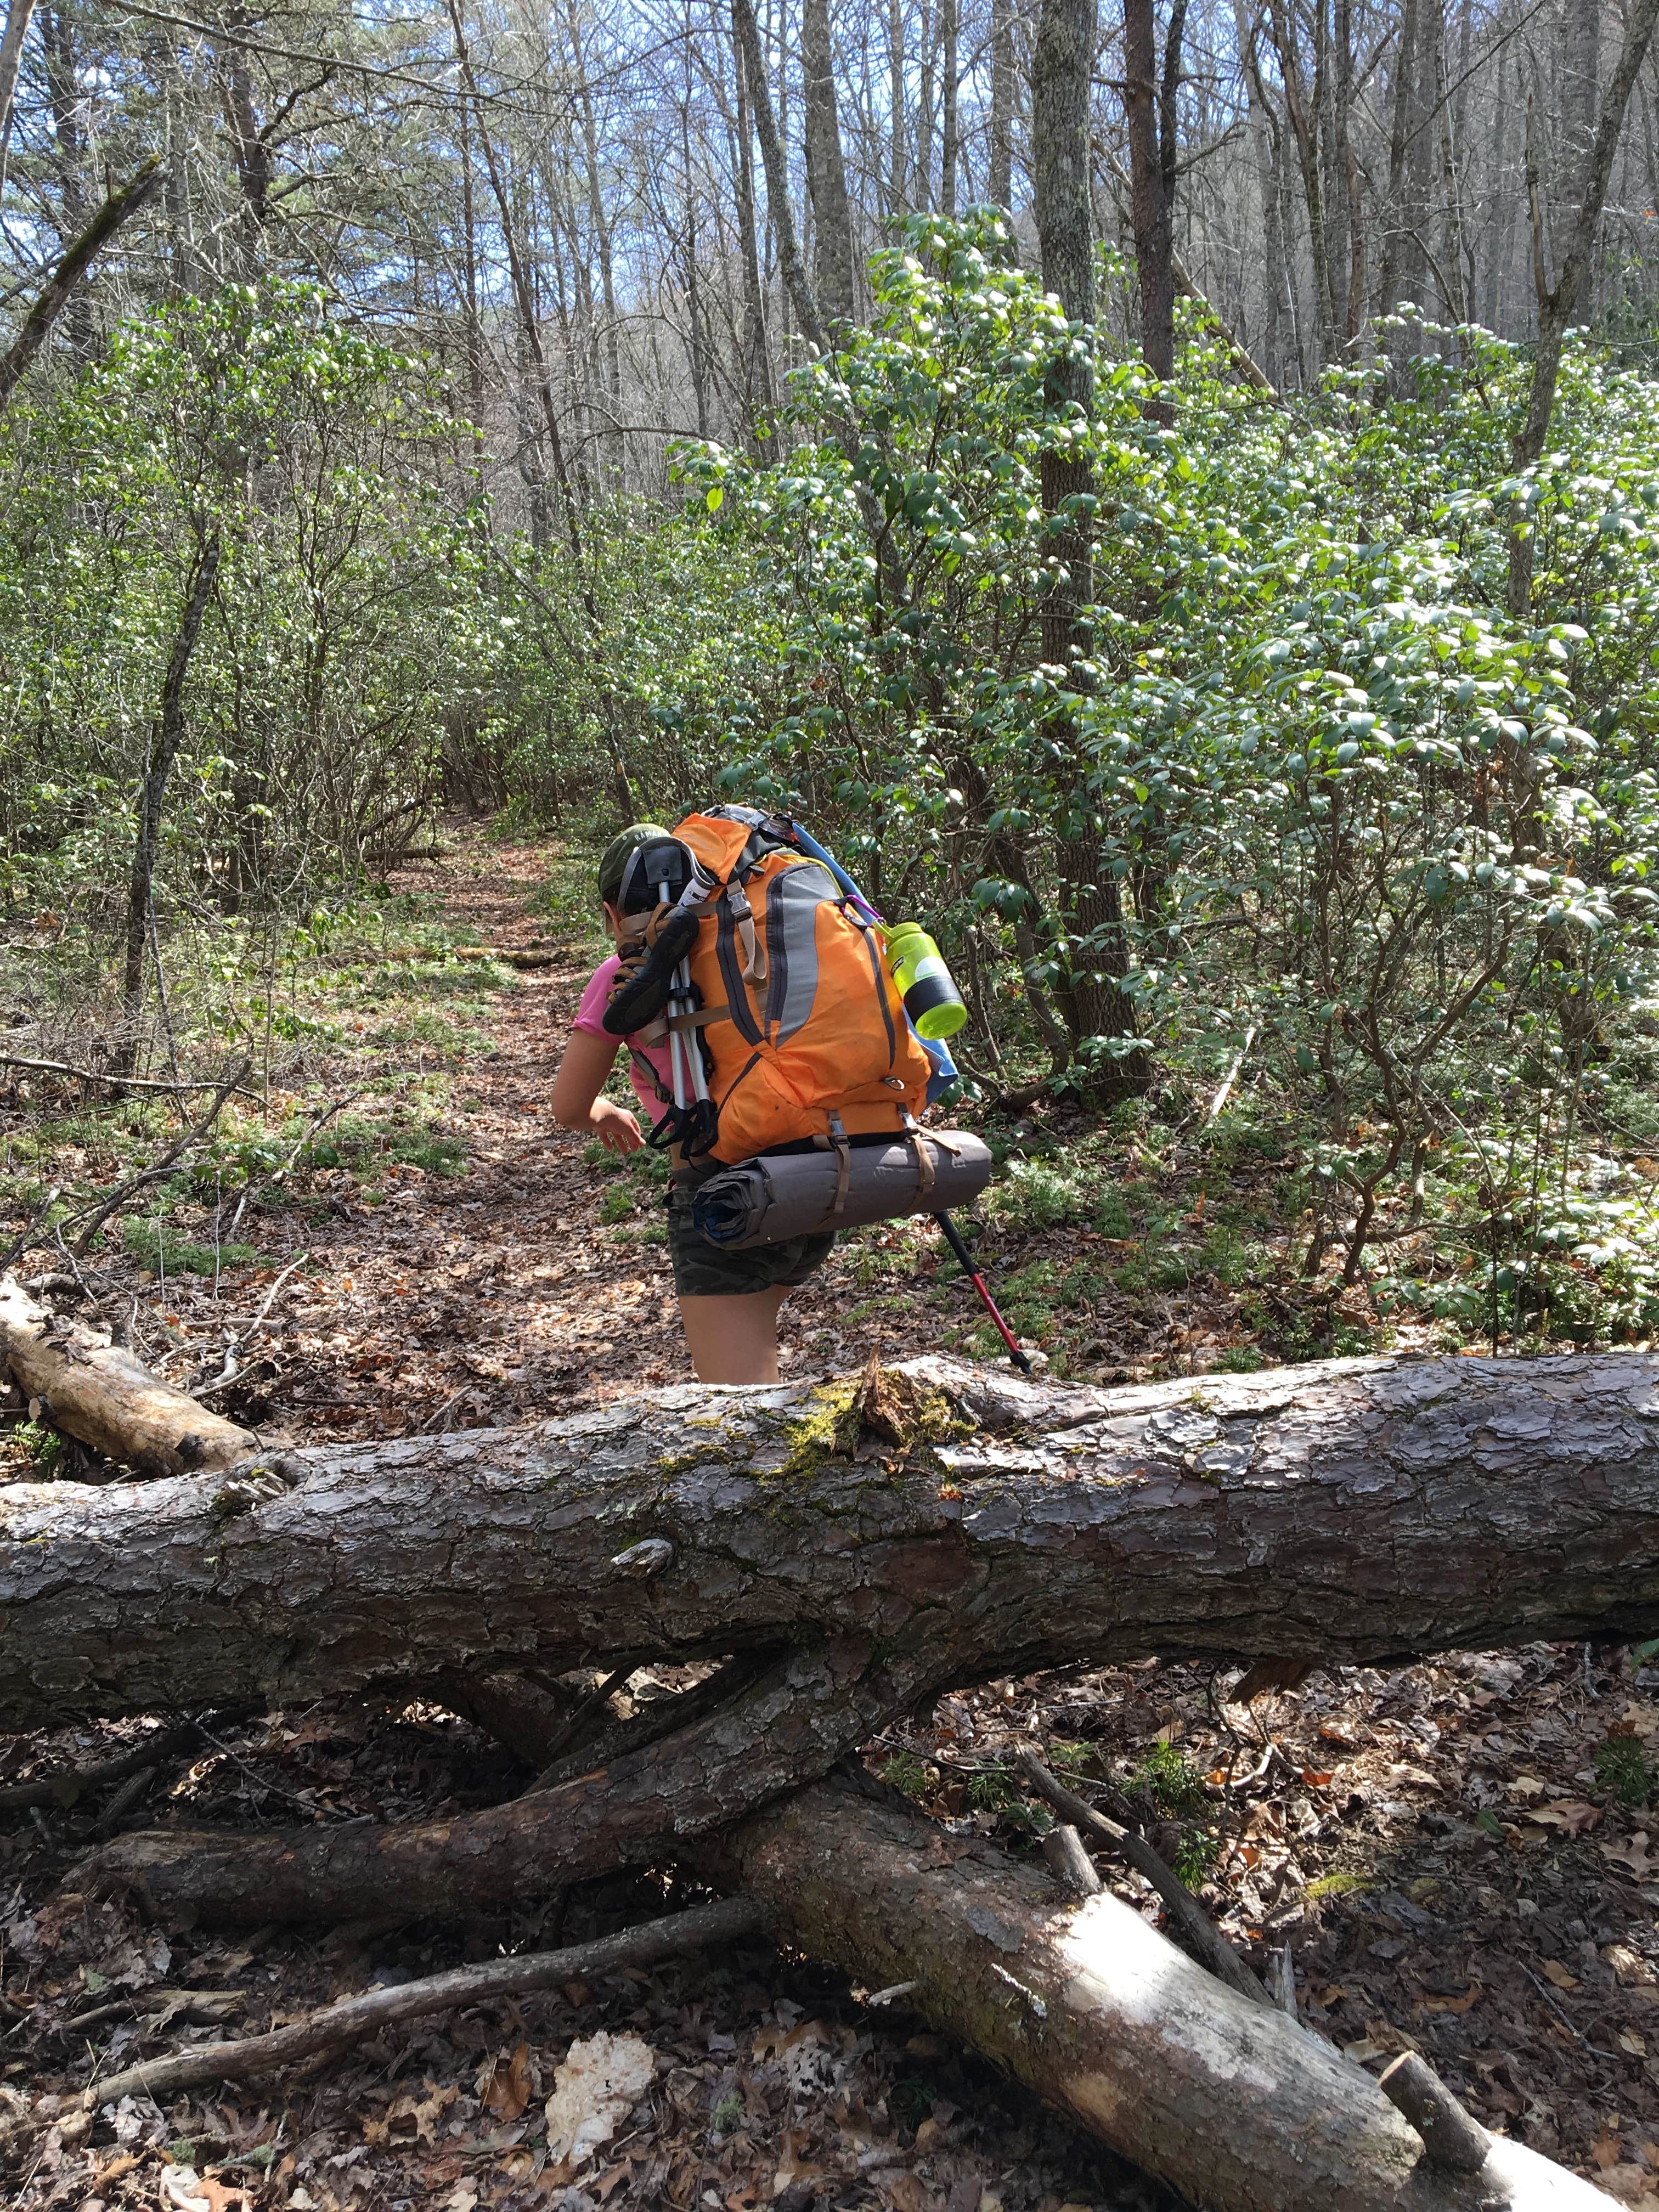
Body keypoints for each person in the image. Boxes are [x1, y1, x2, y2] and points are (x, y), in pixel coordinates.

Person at [548, 823, 836, 1384]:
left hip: (725, 1198)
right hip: (819, 1180)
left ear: (612, 914)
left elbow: (569, 1107)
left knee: (741, 1413)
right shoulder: (756, 945)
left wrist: (604, 1113)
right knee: (755, 1345)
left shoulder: (622, 976)